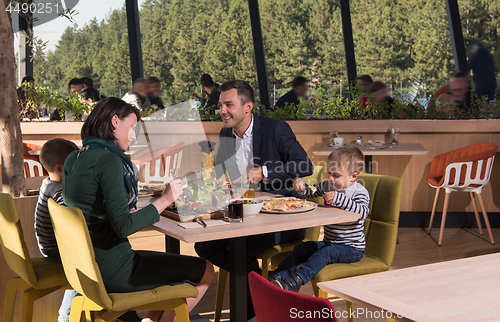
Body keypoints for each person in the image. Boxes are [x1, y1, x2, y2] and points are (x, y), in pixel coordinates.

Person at [62, 97, 214, 322]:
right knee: (205, 269)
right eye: (132, 127)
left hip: (86, 269)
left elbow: (91, 211)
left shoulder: (74, 158)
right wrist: (166, 199)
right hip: (117, 270)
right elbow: (123, 227)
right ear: (115, 121)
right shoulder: (109, 161)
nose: (133, 135)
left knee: (173, 274)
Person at [194, 79, 313, 319]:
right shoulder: (226, 133)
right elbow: (221, 172)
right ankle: (262, 290)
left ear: (247, 107)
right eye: (220, 105)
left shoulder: (275, 129)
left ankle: (249, 314)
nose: (222, 111)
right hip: (245, 214)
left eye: (229, 105)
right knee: (202, 244)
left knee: (242, 251)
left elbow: (305, 165)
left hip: (281, 217)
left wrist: (265, 172)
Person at [268, 146, 369, 292]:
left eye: (336, 175)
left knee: (325, 253)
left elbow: (363, 212)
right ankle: (278, 276)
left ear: (353, 176)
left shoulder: (359, 192)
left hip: (351, 248)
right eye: (329, 173)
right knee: (303, 247)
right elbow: (310, 192)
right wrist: (301, 188)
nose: (330, 178)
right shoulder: (328, 185)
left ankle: (296, 280)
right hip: (329, 242)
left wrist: (339, 198)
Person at [35, 138, 80, 322]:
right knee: (87, 263)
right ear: (61, 168)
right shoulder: (58, 192)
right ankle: (65, 316)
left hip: (50, 246)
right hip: (56, 250)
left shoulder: (48, 184)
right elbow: (74, 214)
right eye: (76, 164)